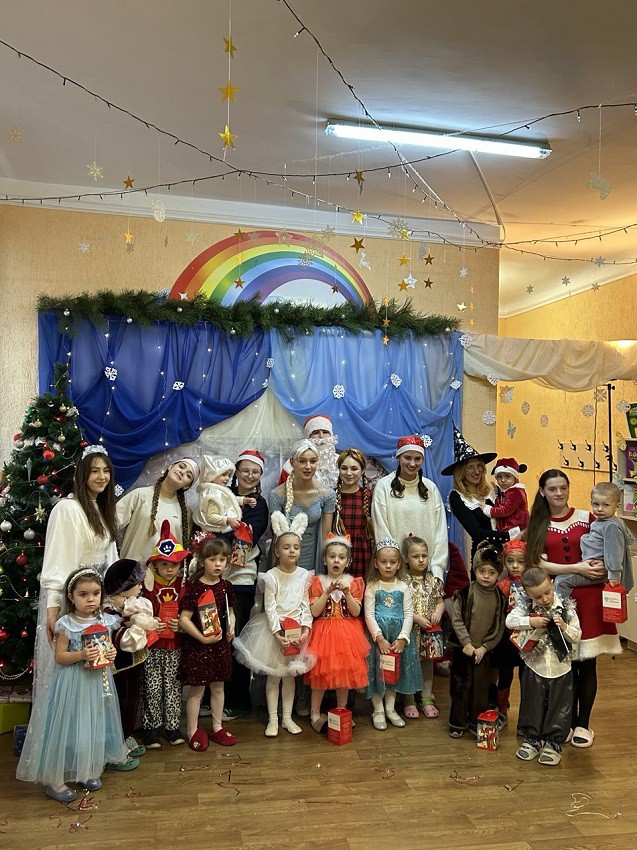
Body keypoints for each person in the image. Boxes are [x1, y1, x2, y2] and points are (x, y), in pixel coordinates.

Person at [526, 469, 621, 748]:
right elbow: (538, 563)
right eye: (552, 489)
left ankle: (583, 724)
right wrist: (576, 568)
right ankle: (563, 722)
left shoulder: (588, 517)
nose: (559, 493)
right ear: (542, 492)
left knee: (587, 663)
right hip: (557, 600)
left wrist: (608, 568)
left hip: (590, 599)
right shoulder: (539, 522)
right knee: (563, 664)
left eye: (563, 488)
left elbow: (609, 543)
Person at [17, 567, 127, 802]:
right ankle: (54, 779)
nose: (91, 599)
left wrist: (111, 654)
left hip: (96, 684)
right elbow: (60, 657)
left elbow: (107, 650)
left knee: (90, 726)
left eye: (95, 593)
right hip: (72, 684)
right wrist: (81, 655)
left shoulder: (104, 621)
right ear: (71, 597)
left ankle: (84, 769)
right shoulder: (66, 624)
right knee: (66, 727)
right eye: (83, 594)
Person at [233, 512, 315, 737]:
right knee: (274, 676)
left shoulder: (304, 575)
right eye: (286, 547)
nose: (292, 551)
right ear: (277, 551)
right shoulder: (271, 576)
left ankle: (287, 718)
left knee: (290, 676)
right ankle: (273, 719)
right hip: (274, 633)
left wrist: (306, 629)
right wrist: (278, 634)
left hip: (296, 633)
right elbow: (269, 608)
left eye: (296, 547)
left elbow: (305, 605)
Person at [507, 567, 581, 766]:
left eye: (547, 592)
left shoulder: (566, 608)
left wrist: (563, 626)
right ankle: (532, 738)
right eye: (538, 597)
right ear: (527, 594)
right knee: (532, 701)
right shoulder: (525, 606)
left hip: (561, 668)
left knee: (560, 704)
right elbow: (509, 621)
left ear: (552, 583)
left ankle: (553, 742)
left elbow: (577, 636)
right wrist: (530, 621)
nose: (545, 599)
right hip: (535, 665)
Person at [304, 534, 370, 732]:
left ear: (348, 562)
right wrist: (326, 592)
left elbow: (356, 612)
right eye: (332, 556)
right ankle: (315, 713)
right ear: (325, 560)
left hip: (347, 635)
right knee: (319, 676)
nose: (336, 561)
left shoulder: (354, 583)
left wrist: (347, 593)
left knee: (344, 676)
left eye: (341, 557)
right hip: (322, 634)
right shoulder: (317, 582)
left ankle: (342, 711)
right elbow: (314, 612)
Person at [178, 537, 237, 751]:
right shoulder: (196, 588)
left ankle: (217, 727)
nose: (218, 564)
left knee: (218, 687)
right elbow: (184, 619)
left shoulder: (226, 586)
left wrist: (231, 627)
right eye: (213, 559)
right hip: (199, 647)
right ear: (202, 561)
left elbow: (230, 611)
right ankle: (192, 730)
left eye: (222, 559)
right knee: (197, 690)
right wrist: (202, 638)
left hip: (220, 645)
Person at [224, 449, 270, 718]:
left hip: (241, 579)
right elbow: (204, 523)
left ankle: (239, 701)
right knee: (213, 638)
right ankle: (211, 698)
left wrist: (218, 536)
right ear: (237, 472)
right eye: (245, 470)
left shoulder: (259, 505)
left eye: (255, 472)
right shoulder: (222, 495)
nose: (249, 476)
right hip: (213, 577)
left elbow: (246, 537)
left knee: (236, 638)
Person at [448, 542, 507, 738]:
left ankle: (476, 721)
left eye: (491, 572)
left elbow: (499, 627)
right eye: (482, 571)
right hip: (463, 649)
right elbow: (457, 619)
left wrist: (485, 647)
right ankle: (458, 723)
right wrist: (466, 643)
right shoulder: (465, 593)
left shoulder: (500, 598)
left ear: (498, 574)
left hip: (483, 651)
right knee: (460, 687)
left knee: (481, 688)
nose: (486, 576)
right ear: (475, 570)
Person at [140, 520, 191, 749]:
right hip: (152, 646)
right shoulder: (147, 588)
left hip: (175, 645)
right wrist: (151, 625)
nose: (170, 569)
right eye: (164, 564)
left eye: (174, 564)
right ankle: (150, 728)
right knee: (151, 687)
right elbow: (137, 614)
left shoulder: (184, 587)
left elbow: (190, 614)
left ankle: (172, 727)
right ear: (155, 565)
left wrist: (181, 624)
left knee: (173, 686)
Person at [372, 435, 448, 586]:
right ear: (398, 457)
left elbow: (440, 531)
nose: (412, 463)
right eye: (407, 458)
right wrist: (392, 563)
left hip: (426, 572)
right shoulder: (384, 486)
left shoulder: (431, 488)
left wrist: (437, 568)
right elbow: (381, 528)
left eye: (417, 459)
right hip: (395, 572)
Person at [365, 539, 422, 731]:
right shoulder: (372, 586)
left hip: (397, 638)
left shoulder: (403, 587)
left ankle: (390, 708)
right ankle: (378, 709)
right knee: (377, 672)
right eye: (383, 562)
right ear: (376, 563)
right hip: (378, 639)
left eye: (392, 562)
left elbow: (408, 613)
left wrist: (402, 638)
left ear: (399, 564)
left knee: (393, 672)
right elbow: (368, 614)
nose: (388, 566)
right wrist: (379, 638)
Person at [103, 558, 152, 767]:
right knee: (121, 703)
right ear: (124, 586)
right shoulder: (110, 611)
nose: (141, 586)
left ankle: (124, 737)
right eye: (137, 583)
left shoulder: (132, 604)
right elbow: (121, 641)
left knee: (131, 701)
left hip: (134, 663)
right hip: (119, 667)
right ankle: (115, 750)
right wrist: (136, 626)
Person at [554, 482, 634, 598]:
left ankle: (559, 608)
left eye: (606, 505)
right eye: (596, 504)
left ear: (617, 506)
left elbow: (614, 551)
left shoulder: (611, 526)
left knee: (561, 581)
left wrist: (614, 575)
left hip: (599, 570)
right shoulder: (600, 522)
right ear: (591, 503)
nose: (600, 509)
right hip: (591, 565)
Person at [269, 439, 335, 573]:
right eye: (302, 461)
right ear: (292, 462)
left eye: (313, 461)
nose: (308, 466)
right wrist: (276, 569)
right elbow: (277, 535)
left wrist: (326, 572)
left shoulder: (327, 494)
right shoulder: (278, 494)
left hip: (314, 557)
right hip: (286, 558)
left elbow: (326, 535)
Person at [442, 428, 507, 564]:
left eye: (479, 466)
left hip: (510, 556)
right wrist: (511, 536)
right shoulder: (457, 497)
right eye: (470, 467)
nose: (476, 471)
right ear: (461, 472)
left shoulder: (493, 489)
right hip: (484, 558)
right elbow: (477, 533)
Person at [116, 457, 198, 564]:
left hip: (165, 572)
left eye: (188, 475)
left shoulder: (186, 512)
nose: (182, 472)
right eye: (181, 467)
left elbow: (183, 548)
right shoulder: (140, 495)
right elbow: (112, 524)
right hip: (131, 569)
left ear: (187, 486)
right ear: (170, 466)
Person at [401, 535, 444, 719]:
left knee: (427, 664)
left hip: (429, 632)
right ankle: (409, 698)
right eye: (415, 556)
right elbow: (401, 607)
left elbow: (440, 601)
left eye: (424, 556)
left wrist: (438, 612)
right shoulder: (403, 581)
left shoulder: (433, 580)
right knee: (410, 664)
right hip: (411, 630)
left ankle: (426, 697)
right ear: (406, 558)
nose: (421, 560)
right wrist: (417, 618)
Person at [495, 539, 527, 724]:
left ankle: (526, 716)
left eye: (520, 561)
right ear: (504, 561)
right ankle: (501, 711)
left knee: (526, 677)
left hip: (527, 638)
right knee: (505, 675)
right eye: (510, 561)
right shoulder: (501, 586)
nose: (515, 566)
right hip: (506, 638)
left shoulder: (532, 583)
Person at [333, 448, 374, 578]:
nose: (349, 473)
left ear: (362, 470)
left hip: (362, 553)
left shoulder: (369, 496)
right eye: (344, 468)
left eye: (354, 469)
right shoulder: (331, 496)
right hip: (338, 553)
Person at [193, 456, 248, 539]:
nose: (227, 478)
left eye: (229, 475)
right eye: (223, 474)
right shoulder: (212, 494)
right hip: (213, 531)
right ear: (212, 474)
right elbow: (210, 517)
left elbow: (229, 499)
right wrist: (228, 520)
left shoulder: (218, 490)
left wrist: (243, 500)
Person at [278, 414, 340, 489]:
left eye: (325, 432)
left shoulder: (340, 461)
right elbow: (282, 493)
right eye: (316, 432)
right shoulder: (291, 465)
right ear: (308, 437)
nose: (321, 436)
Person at [482, 457, 529, 535]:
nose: (503, 480)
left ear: (515, 478)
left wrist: (489, 510)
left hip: (516, 530)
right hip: (507, 530)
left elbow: (506, 509)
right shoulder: (503, 492)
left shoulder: (516, 492)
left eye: (507, 476)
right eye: (500, 477)